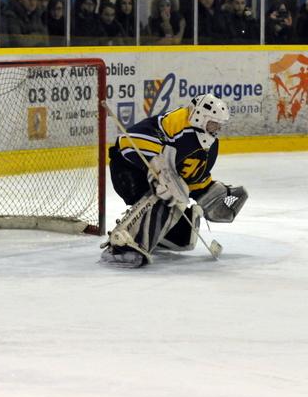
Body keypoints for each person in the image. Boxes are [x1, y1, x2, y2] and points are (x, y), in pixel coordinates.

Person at [100, 94, 248, 268]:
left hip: (155, 175)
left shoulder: (210, 145)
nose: (216, 129)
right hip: (127, 169)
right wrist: (158, 170)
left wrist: (209, 191)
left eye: (219, 126)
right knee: (168, 192)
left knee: (184, 235)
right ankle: (121, 245)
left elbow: (192, 177)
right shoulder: (176, 123)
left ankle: (159, 236)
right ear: (200, 116)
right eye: (213, 124)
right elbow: (127, 141)